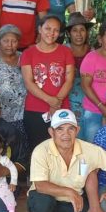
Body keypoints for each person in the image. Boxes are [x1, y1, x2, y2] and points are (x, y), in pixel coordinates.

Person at [28, 109, 106, 212]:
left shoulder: (88, 150)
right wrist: (69, 192)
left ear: (77, 130)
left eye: (71, 129)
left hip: (71, 202)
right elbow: (40, 185)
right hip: (46, 196)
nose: (66, 134)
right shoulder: (41, 151)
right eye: (60, 129)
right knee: (41, 201)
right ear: (51, 132)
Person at [21, 14, 75, 152]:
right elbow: (29, 82)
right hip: (35, 110)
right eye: (48, 28)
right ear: (40, 29)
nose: (52, 33)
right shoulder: (28, 53)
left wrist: (57, 102)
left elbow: (69, 79)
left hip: (61, 109)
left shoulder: (66, 52)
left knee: (62, 149)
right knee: (38, 149)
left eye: (56, 30)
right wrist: (51, 101)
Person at [0, 24, 27, 137]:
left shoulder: (24, 57)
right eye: (5, 41)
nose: (9, 45)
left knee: (22, 146)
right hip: (1, 113)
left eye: (14, 41)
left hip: (23, 112)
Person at [65, 12, 94, 123]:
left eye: (82, 30)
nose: (79, 34)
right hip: (68, 101)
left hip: (90, 101)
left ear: (86, 32)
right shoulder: (62, 52)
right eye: (75, 30)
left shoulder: (93, 52)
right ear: (68, 33)